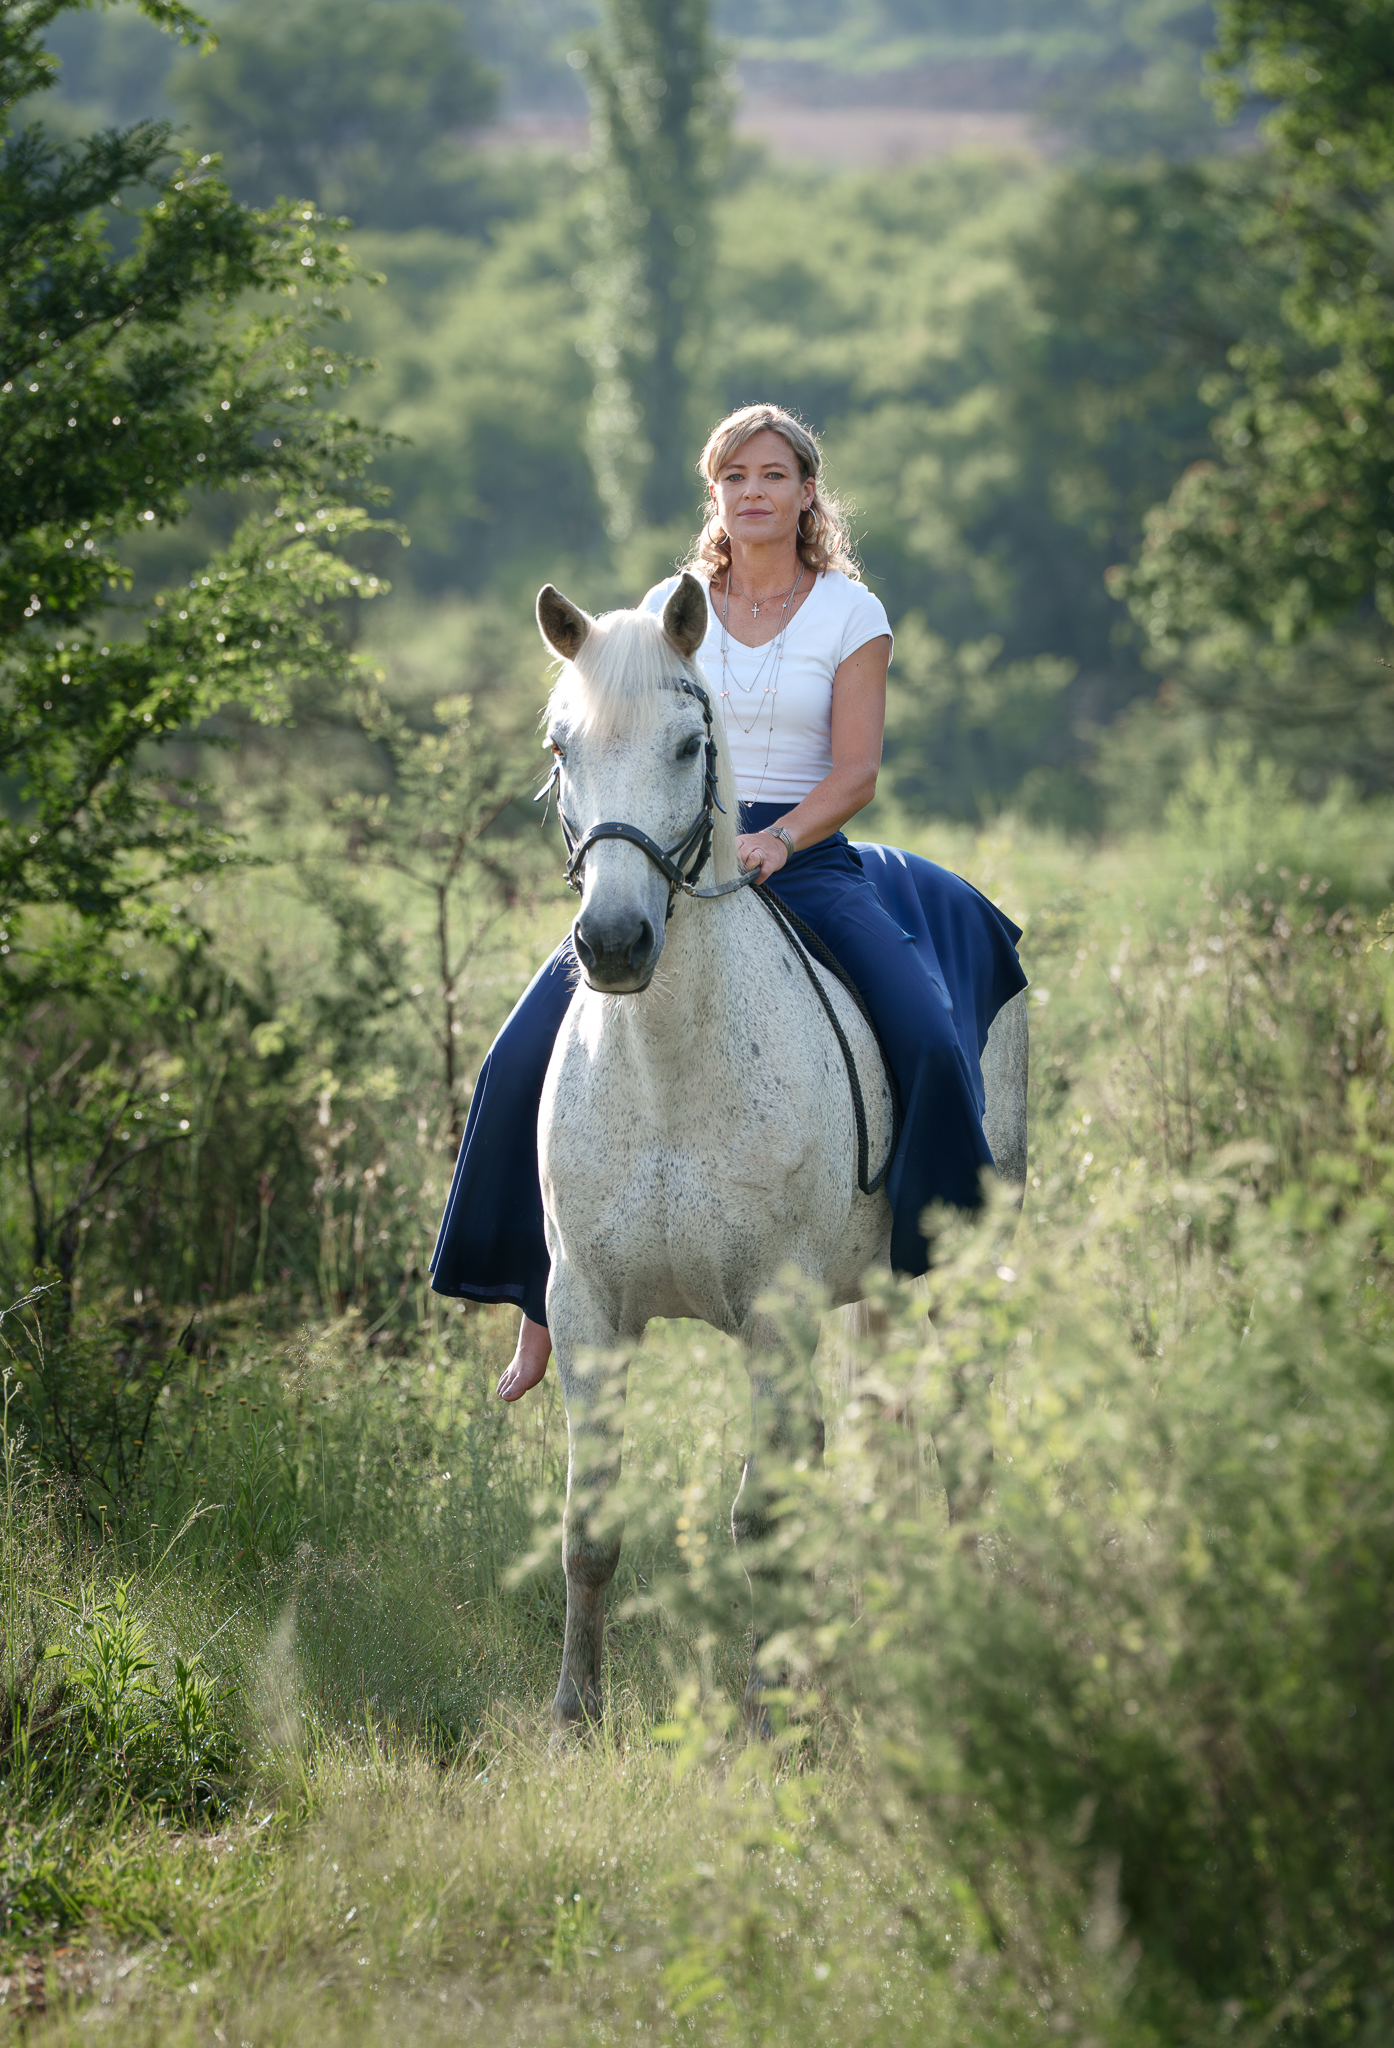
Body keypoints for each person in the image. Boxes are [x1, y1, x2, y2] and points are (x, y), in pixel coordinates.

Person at [430, 403, 1026, 1401]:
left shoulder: (849, 613)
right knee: (515, 1054)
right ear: (715, 494)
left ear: (805, 492)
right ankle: (541, 1308)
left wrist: (778, 837)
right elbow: (613, 736)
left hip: (809, 854)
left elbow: (856, 769)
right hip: (671, 858)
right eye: (733, 476)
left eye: (772, 473)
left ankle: (941, 1280)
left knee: (922, 1035)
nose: (753, 490)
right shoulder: (668, 608)